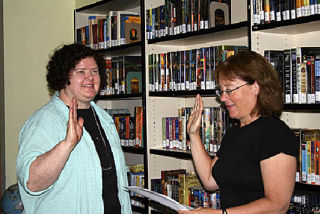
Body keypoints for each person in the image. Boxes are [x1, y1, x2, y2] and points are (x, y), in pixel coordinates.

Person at [16, 43, 132, 214]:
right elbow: (32, 183)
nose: (90, 77)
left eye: (94, 71)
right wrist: (67, 144)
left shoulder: (105, 119)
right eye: (81, 72)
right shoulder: (43, 121)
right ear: (64, 77)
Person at [180, 50, 299, 214]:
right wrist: (193, 135)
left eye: (229, 90)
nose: (222, 97)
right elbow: (210, 180)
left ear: (255, 87)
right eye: (221, 91)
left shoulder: (275, 134)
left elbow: (278, 205)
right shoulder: (234, 134)